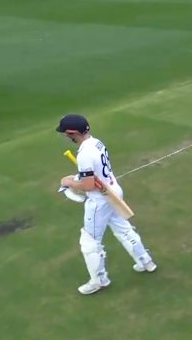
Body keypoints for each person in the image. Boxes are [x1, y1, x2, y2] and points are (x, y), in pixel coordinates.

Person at [57, 114, 158, 295]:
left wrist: (69, 182)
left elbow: (88, 186)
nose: (66, 137)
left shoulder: (84, 155)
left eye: (66, 133)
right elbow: (93, 176)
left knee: (89, 242)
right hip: (112, 190)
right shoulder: (97, 143)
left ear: (72, 133)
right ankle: (146, 261)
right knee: (123, 229)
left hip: (100, 200)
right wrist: (78, 177)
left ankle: (99, 281)